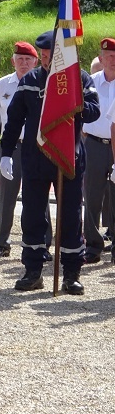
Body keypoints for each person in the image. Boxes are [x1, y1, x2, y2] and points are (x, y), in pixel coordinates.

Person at [0, 30, 99, 294]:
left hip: (68, 160)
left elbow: (94, 111)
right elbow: (14, 120)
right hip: (35, 159)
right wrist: (6, 152)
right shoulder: (30, 80)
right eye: (42, 55)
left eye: (49, 56)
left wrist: (75, 104)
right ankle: (33, 270)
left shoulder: (79, 78)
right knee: (32, 216)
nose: (45, 60)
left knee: (70, 217)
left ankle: (71, 273)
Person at [0, 41, 53, 260]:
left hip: (36, 146)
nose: (24, 63)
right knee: (6, 196)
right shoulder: (2, 85)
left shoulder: (42, 82)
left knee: (39, 195)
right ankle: (1, 242)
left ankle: (43, 243)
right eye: (20, 59)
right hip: (12, 146)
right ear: (13, 61)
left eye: (28, 60)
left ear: (36, 61)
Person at [81, 37, 115, 264]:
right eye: (109, 56)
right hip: (93, 144)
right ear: (100, 59)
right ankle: (93, 245)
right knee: (91, 197)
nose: (113, 60)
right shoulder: (90, 82)